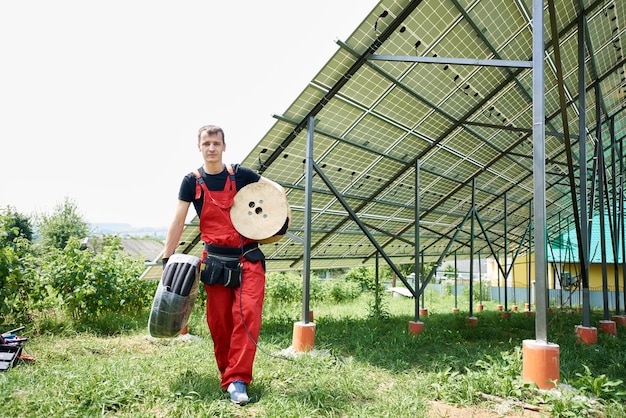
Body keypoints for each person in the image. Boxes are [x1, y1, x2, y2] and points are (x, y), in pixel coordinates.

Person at [162, 124, 286, 405]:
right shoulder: (191, 181)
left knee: (248, 316)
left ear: (224, 146)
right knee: (219, 323)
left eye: (216, 143)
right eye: (206, 143)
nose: (211, 148)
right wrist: (168, 259)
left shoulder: (240, 175)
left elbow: (277, 190)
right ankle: (228, 375)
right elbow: (179, 221)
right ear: (200, 147)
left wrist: (281, 218)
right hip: (215, 262)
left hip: (248, 258)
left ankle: (238, 379)